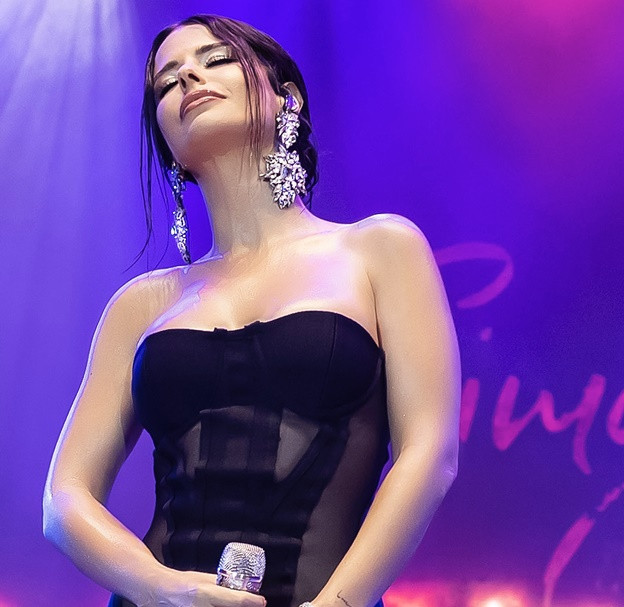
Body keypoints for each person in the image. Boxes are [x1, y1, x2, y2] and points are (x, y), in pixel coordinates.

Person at [42, 14, 460, 607]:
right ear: (168, 145)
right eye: (166, 82)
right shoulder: (142, 304)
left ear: (286, 97)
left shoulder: (380, 250)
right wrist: (162, 589)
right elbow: (64, 499)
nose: (188, 78)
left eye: (215, 59)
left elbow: (428, 454)